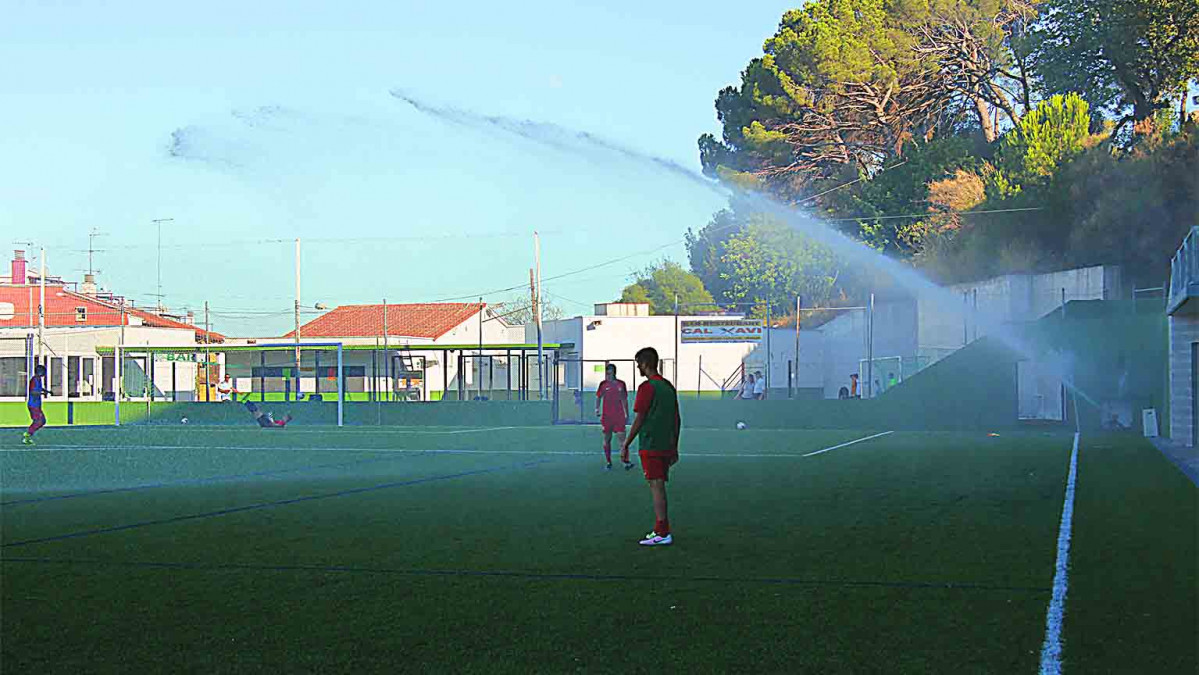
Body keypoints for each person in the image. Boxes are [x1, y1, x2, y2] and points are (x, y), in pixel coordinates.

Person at [622, 347, 681, 546]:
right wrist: (674, 446)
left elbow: (640, 418)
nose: (638, 367)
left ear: (646, 364)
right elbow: (676, 419)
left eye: (638, 363)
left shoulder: (647, 388)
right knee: (658, 485)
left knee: (656, 487)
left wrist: (626, 444)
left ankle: (663, 532)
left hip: (651, 444)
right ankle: (659, 529)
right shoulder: (668, 387)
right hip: (665, 444)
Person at [595, 364, 633, 470]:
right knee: (607, 439)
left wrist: (626, 413)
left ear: (614, 372)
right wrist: (597, 409)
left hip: (619, 416)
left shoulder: (621, 384)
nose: (608, 374)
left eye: (610, 372)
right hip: (607, 417)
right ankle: (608, 462)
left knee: (623, 440)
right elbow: (598, 397)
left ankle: (626, 461)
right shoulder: (603, 384)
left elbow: (624, 399)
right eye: (607, 372)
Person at [22, 364, 47, 445]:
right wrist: (41, 393)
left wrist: (46, 391)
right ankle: (27, 435)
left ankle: (29, 434)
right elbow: (33, 391)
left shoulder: (39, 379)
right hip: (33, 405)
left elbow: (39, 388)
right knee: (39, 421)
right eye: (43, 371)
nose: (44, 373)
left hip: (37, 404)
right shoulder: (34, 379)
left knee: (42, 421)